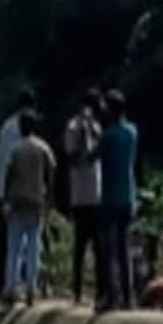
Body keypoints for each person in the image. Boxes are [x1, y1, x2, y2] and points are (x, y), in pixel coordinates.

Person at [1, 109, 56, 304]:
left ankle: (11, 287)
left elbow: (9, 175)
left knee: (14, 247)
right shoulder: (43, 148)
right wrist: (49, 198)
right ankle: (32, 288)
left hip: (17, 201)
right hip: (36, 201)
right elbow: (51, 173)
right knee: (34, 247)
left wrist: (6, 199)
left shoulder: (15, 149)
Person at [97, 90, 139, 311]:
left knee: (110, 250)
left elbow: (95, 156)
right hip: (129, 195)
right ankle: (129, 296)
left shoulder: (108, 136)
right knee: (126, 249)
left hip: (110, 197)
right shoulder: (132, 132)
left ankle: (113, 296)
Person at [65, 91, 104, 304]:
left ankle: (99, 292)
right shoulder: (73, 127)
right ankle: (77, 291)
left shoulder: (97, 127)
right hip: (80, 194)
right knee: (79, 247)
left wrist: (93, 135)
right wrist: (83, 134)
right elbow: (72, 157)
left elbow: (98, 152)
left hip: (95, 193)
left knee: (98, 246)